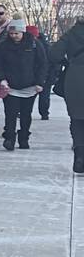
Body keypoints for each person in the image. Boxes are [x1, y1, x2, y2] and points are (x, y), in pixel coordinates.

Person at [0, 18, 49, 151]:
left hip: (29, 85)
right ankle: (10, 138)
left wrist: (39, 82)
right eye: (11, 33)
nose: (14, 36)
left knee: (26, 114)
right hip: (10, 86)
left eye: (16, 33)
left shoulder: (34, 44)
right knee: (11, 114)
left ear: (23, 32)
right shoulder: (4, 46)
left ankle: (24, 138)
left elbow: (43, 64)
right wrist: (1, 79)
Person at [51, 17, 84, 174]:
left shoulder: (72, 32)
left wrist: (68, 62)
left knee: (77, 119)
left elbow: (54, 54)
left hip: (74, 79)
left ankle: (79, 154)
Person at [28, 24, 54, 119]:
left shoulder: (40, 45)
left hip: (43, 73)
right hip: (44, 74)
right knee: (43, 95)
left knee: (33, 95)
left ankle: (42, 113)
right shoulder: (46, 44)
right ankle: (44, 113)